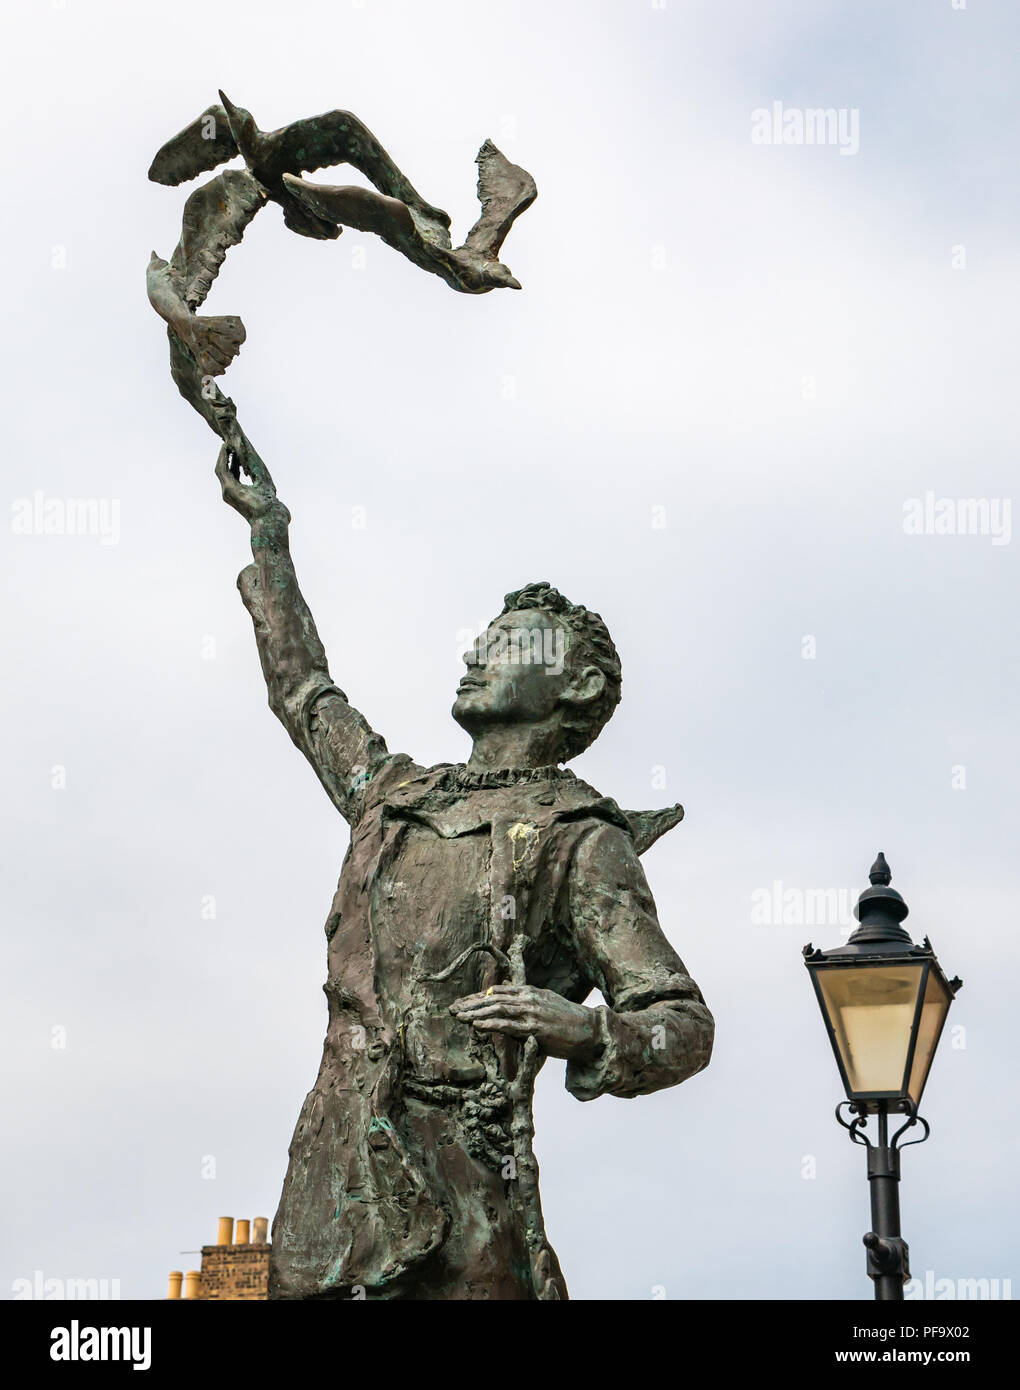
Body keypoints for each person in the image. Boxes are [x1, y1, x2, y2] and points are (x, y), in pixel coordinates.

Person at [215, 442, 714, 1300]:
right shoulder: (390, 792)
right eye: (482, 640)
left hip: (466, 1202)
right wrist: (270, 538)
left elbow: (681, 1021)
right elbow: (305, 691)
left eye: (509, 643)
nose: (479, 654)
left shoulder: (577, 835)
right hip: (335, 1188)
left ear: (578, 685)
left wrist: (583, 1029)